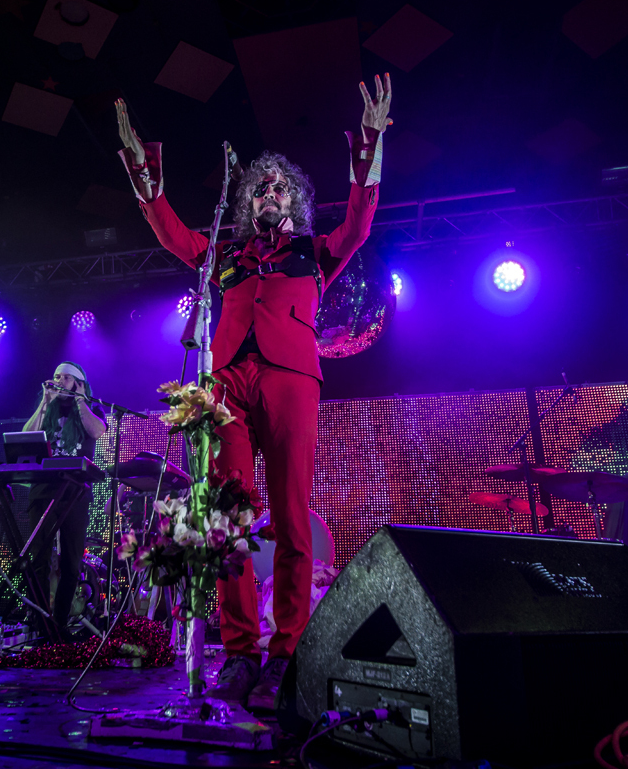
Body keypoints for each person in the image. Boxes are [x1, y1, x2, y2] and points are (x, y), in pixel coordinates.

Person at [114, 74, 391, 710]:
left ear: (294, 200)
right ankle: (239, 654)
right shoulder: (226, 253)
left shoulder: (315, 251)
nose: (268, 190)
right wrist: (140, 170)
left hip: (292, 377)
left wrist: (371, 142)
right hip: (226, 382)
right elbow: (172, 234)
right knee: (226, 519)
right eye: (260, 186)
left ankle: (285, 651)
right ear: (247, 202)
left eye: (279, 186)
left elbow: (360, 220)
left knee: (291, 519)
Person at [22, 361, 107, 637]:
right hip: (45, 489)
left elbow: (97, 432)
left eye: (66, 378)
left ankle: (58, 625)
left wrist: (81, 401)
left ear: (78, 383)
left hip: (76, 492)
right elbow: (26, 437)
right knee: (38, 559)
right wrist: (44, 404)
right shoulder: (48, 408)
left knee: (71, 561)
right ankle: (37, 624)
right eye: (56, 375)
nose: (58, 380)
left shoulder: (90, 407)